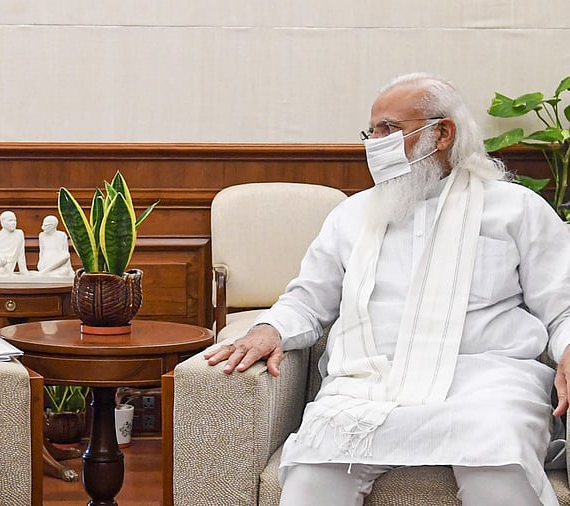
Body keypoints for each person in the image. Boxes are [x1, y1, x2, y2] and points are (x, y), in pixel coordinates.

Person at [205, 73, 570, 505]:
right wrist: (269, 329)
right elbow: (308, 298)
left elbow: (562, 305)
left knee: (500, 470)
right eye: (370, 130)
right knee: (311, 483)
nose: (373, 142)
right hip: (369, 383)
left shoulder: (516, 209)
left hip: (486, 384)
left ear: (442, 133)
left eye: (388, 129)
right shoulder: (351, 215)